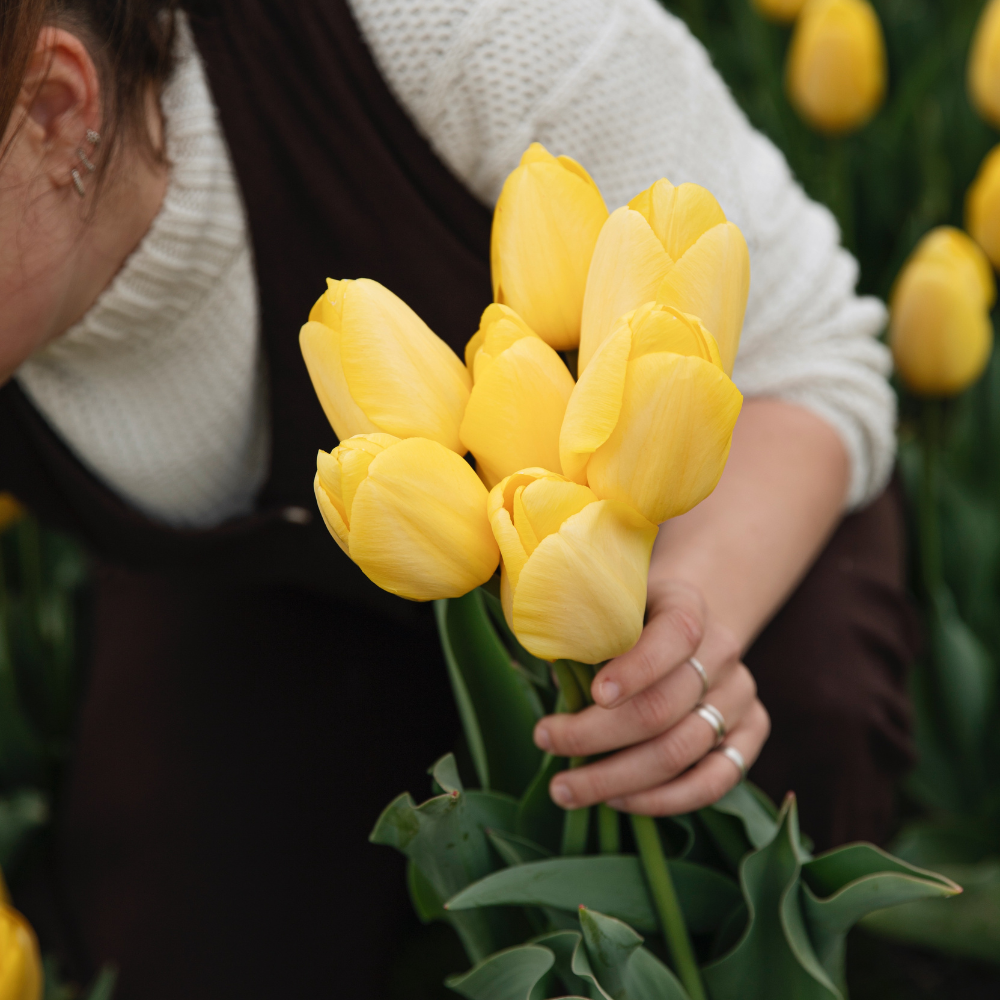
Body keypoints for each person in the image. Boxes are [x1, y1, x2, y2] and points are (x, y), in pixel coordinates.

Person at [0, 0, 918, 995]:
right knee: (179, 940)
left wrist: (679, 632)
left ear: (55, 107)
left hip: (672, 522)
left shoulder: (449, 21)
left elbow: (812, 360)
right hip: (280, 593)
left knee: (781, 747)